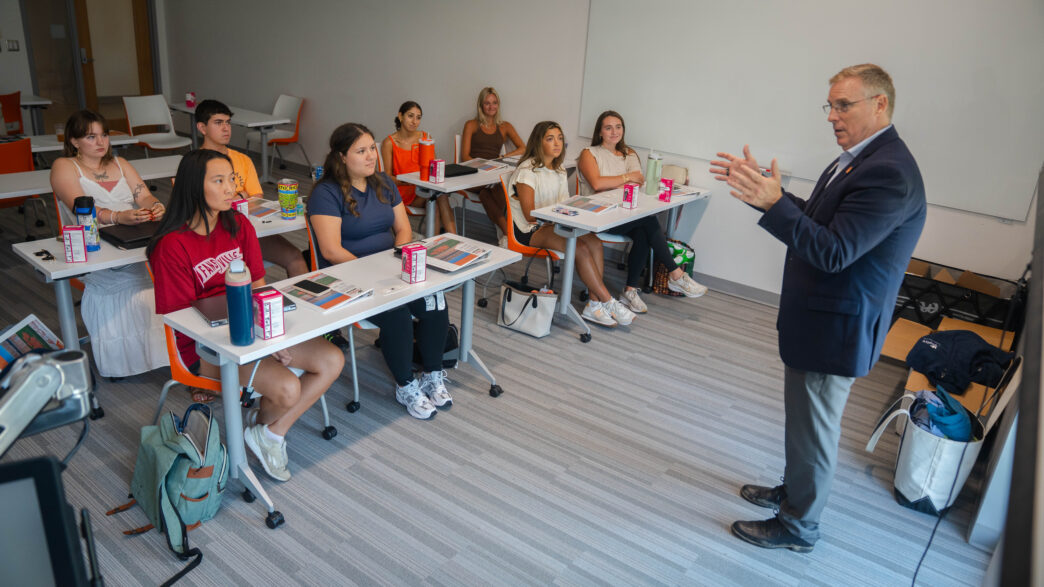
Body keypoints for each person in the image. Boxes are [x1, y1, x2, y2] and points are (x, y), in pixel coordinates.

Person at [709, 64, 926, 552]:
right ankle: (793, 494)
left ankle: (799, 527)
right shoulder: (857, 158)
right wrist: (774, 195)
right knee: (804, 425)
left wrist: (773, 205)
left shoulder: (888, 172)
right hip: (821, 323)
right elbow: (822, 220)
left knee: (816, 431)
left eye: (843, 105)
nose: (832, 115)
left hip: (837, 331)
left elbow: (833, 251)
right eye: (829, 105)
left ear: (880, 104)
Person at [148, 149, 344, 482]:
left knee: (332, 359)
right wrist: (262, 345)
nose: (231, 188)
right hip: (202, 346)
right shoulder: (172, 245)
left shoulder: (239, 225)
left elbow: (259, 289)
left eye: (232, 179)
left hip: (251, 330)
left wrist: (271, 335)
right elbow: (183, 321)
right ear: (195, 187)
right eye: (219, 180)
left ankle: (269, 434)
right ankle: (265, 422)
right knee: (287, 389)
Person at [310, 123, 453, 421]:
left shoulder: (384, 183)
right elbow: (331, 251)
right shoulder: (326, 192)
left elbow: (404, 229)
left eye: (372, 148)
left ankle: (433, 374)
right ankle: (406, 386)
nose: (370, 155)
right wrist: (371, 272)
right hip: (347, 278)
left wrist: (396, 259)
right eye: (361, 151)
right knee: (397, 312)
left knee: (434, 300)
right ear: (341, 156)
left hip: (390, 269)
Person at [49, 109, 167, 377]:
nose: (101, 142)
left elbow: (144, 196)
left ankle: (162, 354)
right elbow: (81, 208)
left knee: (169, 272)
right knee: (127, 287)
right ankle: (122, 362)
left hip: (133, 238)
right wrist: (118, 216)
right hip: (92, 246)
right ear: (75, 141)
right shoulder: (64, 166)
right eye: (91, 137)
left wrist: (155, 206)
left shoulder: (121, 163)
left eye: (104, 135)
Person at [507, 121, 636, 328]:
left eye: (559, 138)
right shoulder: (527, 171)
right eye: (550, 139)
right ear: (538, 143)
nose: (557, 143)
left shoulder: (558, 170)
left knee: (594, 242)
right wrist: (559, 216)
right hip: (531, 229)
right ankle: (608, 301)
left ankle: (593, 305)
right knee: (580, 247)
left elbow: (563, 205)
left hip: (553, 223)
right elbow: (530, 215)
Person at [576, 110, 708, 312]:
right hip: (599, 215)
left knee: (644, 231)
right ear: (600, 131)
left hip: (625, 213)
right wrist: (626, 178)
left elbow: (637, 183)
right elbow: (597, 184)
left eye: (618, 127)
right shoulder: (589, 153)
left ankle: (630, 290)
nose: (614, 131)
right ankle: (675, 274)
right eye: (608, 127)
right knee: (648, 223)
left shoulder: (629, 153)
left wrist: (622, 181)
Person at [194, 99, 308, 278]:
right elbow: (197, 207)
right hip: (212, 238)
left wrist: (235, 200)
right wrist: (240, 195)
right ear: (202, 128)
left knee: (296, 258)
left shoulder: (243, 160)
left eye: (228, 123)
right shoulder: (192, 165)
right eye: (218, 123)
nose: (226, 129)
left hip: (250, 232)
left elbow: (256, 200)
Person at [380, 101, 456, 235]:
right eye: (410, 116)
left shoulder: (425, 138)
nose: (414, 121)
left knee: (439, 196)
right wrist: (409, 181)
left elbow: (434, 167)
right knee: (436, 199)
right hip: (404, 194)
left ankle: (451, 240)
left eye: (418, 117)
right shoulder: (389, 143)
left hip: (424, 190)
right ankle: (437, 243)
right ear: (400, 116)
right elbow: (387, 177)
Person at [459, 87, 525, 237]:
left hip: (493, 176)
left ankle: (506, 233)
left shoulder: (504, 126)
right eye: (487, 103)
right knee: (492, 189)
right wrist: (483, 168)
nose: (491, 107)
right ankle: (509, 234)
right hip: (474, 175)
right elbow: (465, 157)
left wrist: (504, 156)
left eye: (494, 103)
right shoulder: (471, 125)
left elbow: (523, 148)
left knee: (487, 193)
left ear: (498, 105)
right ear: (481, 105)